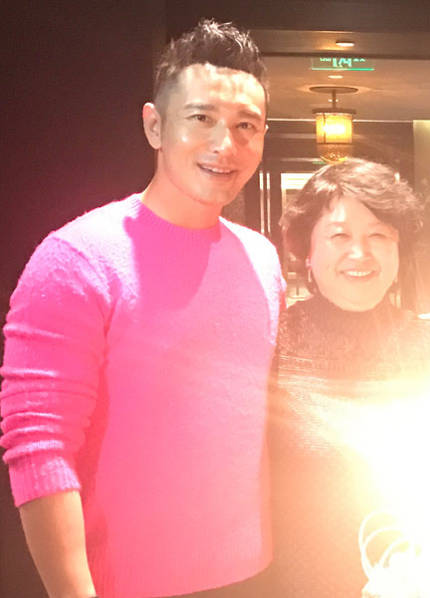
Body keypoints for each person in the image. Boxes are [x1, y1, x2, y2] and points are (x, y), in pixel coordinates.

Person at [0, 20, 283, 598]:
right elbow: (39, 447)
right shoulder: (78, 258)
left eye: (245, 126)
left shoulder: (262, 259)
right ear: (155, 125)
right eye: (200, 118)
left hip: (257, 575)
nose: (224, 144)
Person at [268, 158, 430, 597]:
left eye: (379, 235)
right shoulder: (272, 346)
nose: (360, 253)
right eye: (339, 236)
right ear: (307, 250)